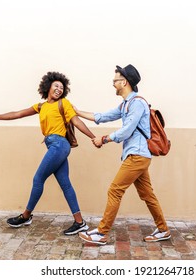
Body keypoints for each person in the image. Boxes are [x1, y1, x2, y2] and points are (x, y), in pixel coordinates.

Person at [0, 71, 100, 235]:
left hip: (59, 145)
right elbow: (18, 113)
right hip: (54, 146)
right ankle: (80, 222)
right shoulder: (41, 106)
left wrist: (93, 137)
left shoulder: (64, 103)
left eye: (62, 87)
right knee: (65, 183)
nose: (59, 89)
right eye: (56, 85)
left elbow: (76, 121)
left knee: (38, 179)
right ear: (48, 86)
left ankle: (26, 216)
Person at [75, 64, 171, 245]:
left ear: (124, 82)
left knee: (115, 190)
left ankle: (101, 233)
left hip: (137, 155)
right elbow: (102, 117)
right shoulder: (126, 104)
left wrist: (103, 139)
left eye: (115, 80)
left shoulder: (138, 103)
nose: (113, 84)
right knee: (148, 195)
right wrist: (77, 111)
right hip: (136, 156)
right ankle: (163, 229)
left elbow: (126, 131)